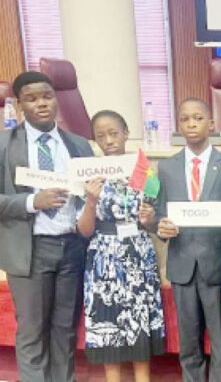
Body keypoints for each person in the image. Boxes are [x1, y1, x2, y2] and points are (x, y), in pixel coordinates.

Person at [0, 71, 94, 382]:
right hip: (30, 250)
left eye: (47, 96)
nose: (41, 103)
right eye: (31, 98)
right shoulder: (4, 144)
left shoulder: (79, 145)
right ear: (18, 106)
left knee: (65, 331)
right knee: (32, 332)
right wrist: (31, 202)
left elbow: (89, 196)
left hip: (71, 248)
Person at [155, 98, 221, 382]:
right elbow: (157, 213)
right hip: (182, 266)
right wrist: (161, 226)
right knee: (189, 341)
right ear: (178, 125)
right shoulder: (166, 168)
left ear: (211, 124)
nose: (191, 124)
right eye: (184, 119)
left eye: (197, 118)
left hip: (217, 266)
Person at [77, 110, 165, 381]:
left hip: (138, 252)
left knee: (138, 322)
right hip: (104, 257)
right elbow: (84, 231)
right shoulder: (89, 174)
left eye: (114, 133)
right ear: (95, 141)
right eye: (101, 136)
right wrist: (91, 201)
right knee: (109, 325)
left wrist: (150, 220)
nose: (109, 140)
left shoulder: (145, 171)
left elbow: (154, 223)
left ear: (126, 133)